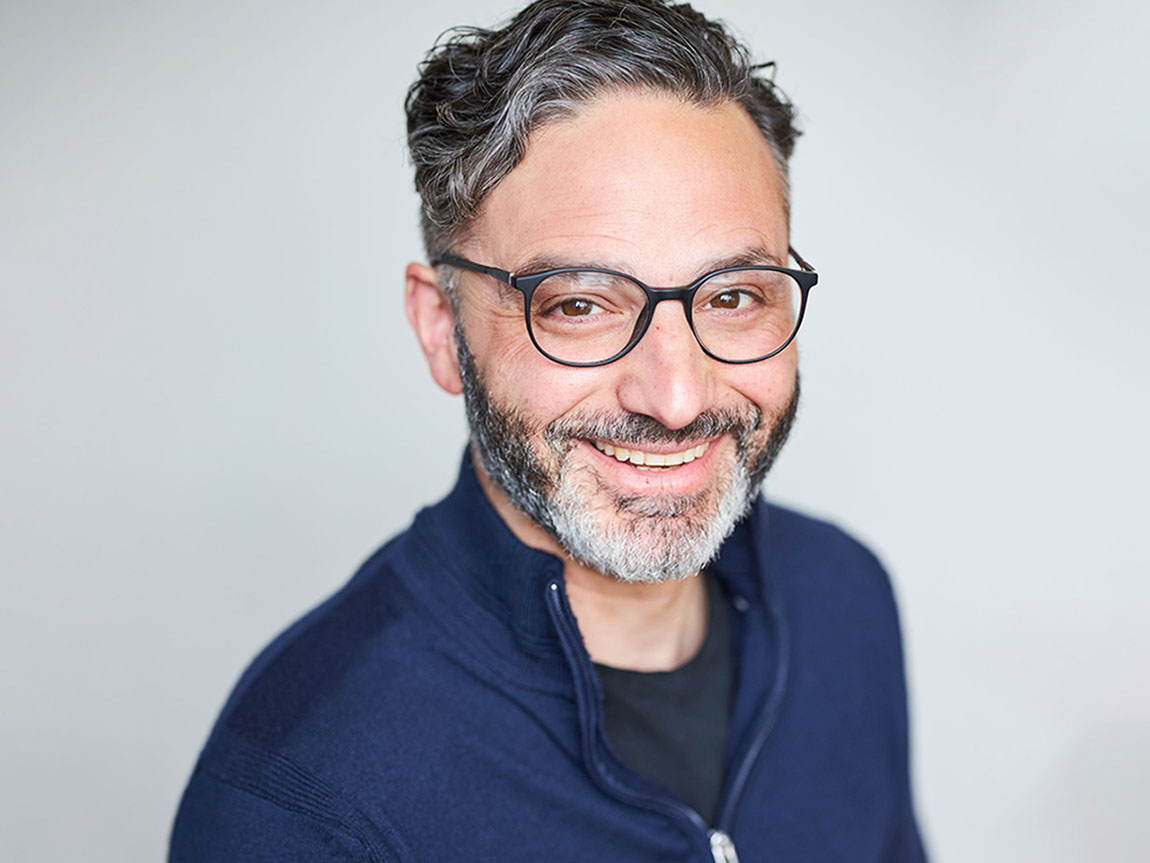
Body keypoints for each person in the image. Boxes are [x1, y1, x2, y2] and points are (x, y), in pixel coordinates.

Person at [170, 1, 927, 860]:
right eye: (579, 305)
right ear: (441, 327)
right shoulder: (304, 789)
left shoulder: (843, 597)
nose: (677, 397)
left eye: (732, 295)